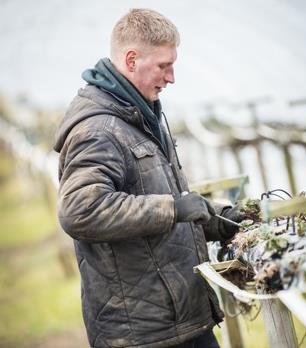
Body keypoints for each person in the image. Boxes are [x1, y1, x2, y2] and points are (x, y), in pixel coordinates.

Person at [54, 8, 244, 348]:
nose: (171, 77)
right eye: (163, 65)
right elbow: (80, 210)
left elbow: (160, 198)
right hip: (144, 334)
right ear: (130, 60)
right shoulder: (99, 129)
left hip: (181, 320)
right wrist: (174, 208)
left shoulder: (139, 115)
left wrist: (217, 218)